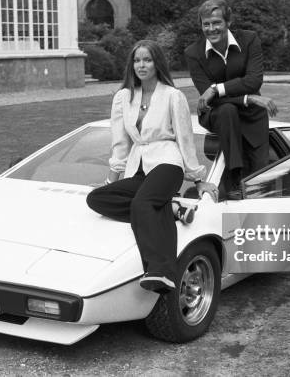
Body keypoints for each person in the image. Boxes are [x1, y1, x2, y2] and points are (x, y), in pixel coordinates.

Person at [86, 40, 218, 293]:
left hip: (167, 163)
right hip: (139, 167)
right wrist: (111, 180)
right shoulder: (123, 97)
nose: (141, 65)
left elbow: (184, 137)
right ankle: (171, 207)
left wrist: (197, 178)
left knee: (142, 203)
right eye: (137, 60)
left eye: (147, 60)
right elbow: (120, 142)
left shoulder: (172, 95)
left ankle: (161, 271)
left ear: (157, 63)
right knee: (97, 199)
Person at [185, 0, 278, 200]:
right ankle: (234, 176)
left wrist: (217, 88)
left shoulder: (250, 40)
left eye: (216, 22)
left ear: (228, 22)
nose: (211, 29)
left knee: (258, 181)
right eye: (206, 24)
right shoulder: (193, 53)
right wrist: (249, 98)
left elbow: (253, 81)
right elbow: (207, 98)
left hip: (252, 117)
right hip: (216, 113)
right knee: (227, 110)